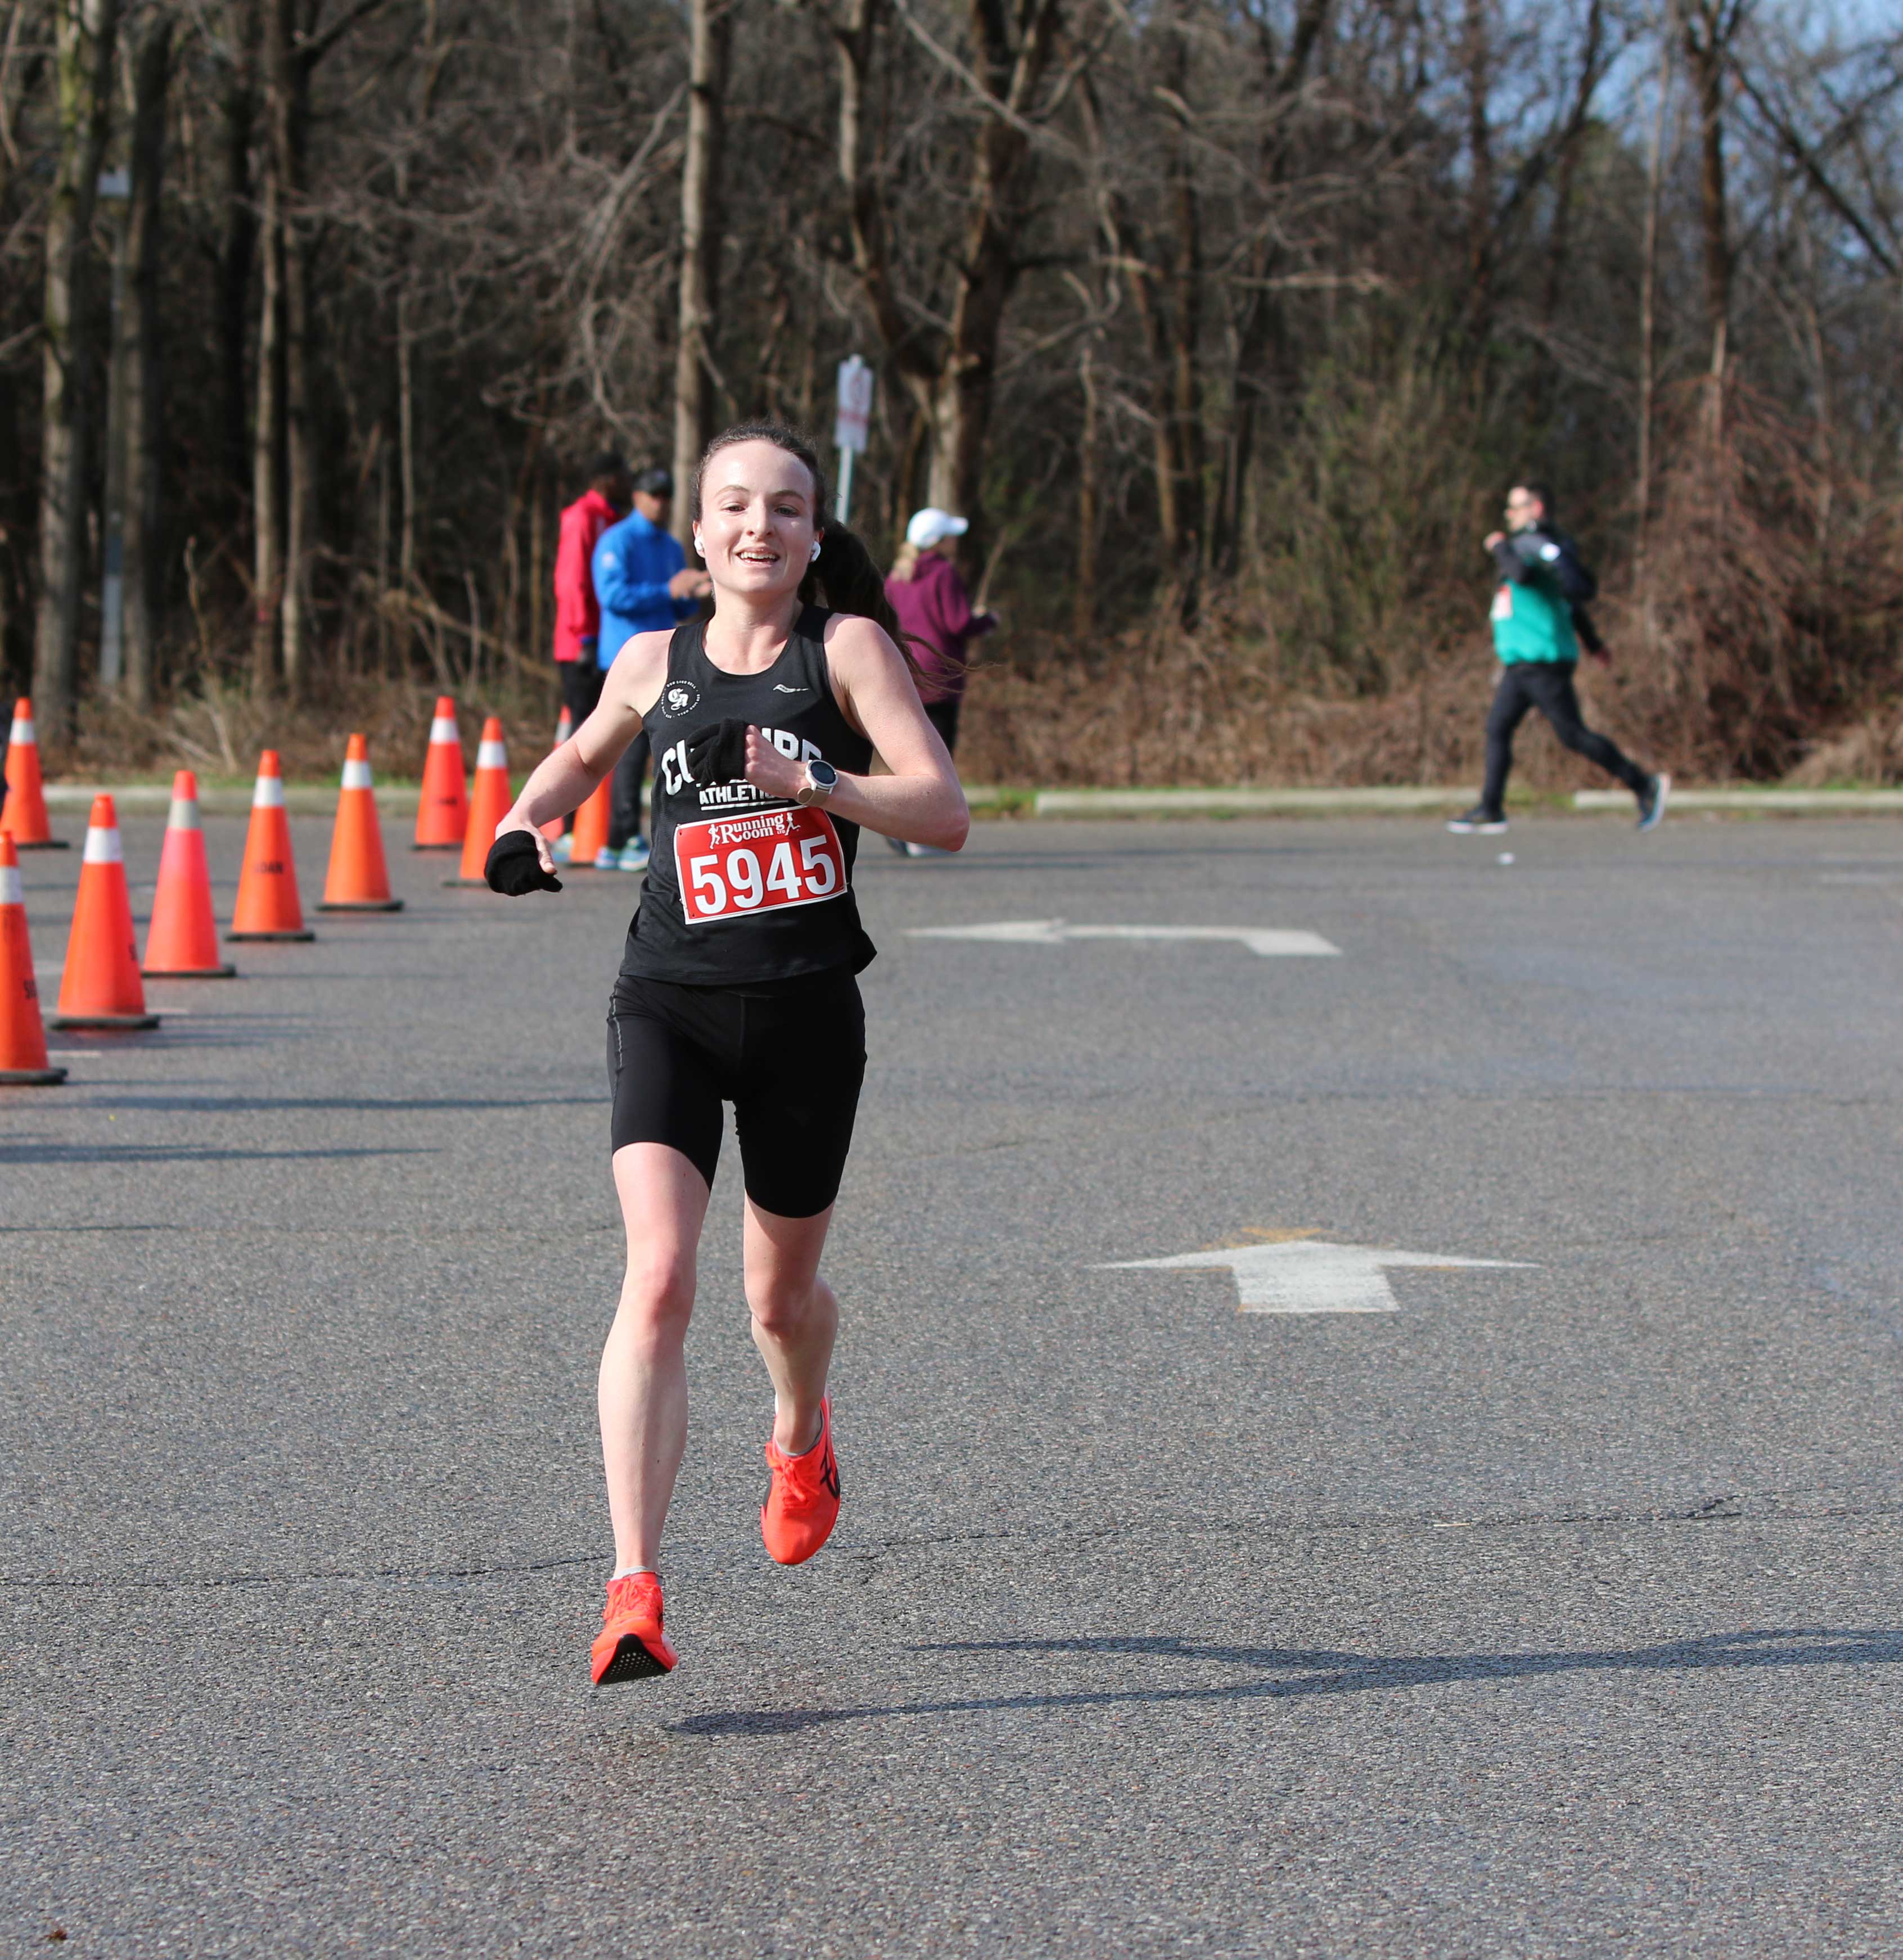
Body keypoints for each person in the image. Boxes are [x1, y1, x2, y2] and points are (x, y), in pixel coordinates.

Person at [490, 421, 968, 1686]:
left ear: (813, 536)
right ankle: (632, 1589)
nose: (760, 525)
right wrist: (525, 821)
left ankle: (800, 1434)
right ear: (698, 534)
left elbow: (945, 810)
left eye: (787, 507)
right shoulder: (652, 658)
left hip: (806, 1016)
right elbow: (579, 758)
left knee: (776, 1304)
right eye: (736, 505)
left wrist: (825, 785)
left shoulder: (846, 650)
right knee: (657, 1278)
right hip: (670, 1002)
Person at [1449, 481, 1668, 836]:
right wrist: (1594, 644)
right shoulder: (1528, 549)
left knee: (1573, 735)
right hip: (1522, 664)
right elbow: (1566, 603)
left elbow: (1524, 577)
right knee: (1498, 728)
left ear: (1535, 509)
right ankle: (1491, 809)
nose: (1508, 514)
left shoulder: (1531, 548)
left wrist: (1499, 546)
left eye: (1515, 507)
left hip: (1542, 662)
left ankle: (1644, 785)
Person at [590, 467, 713, 872]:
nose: (660, 502)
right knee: (627, 752)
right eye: (653, 494)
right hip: (625, 661)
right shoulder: (618, 540)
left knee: (665, 750)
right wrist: (667, 590)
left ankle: (652, 833)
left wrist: (693, 593)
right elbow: (612, 596)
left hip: (666, 659)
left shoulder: (670, 546)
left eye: (666, 495)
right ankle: (621, 838)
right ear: (638, 496)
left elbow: (677, 605)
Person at [883, 508, 995, 858]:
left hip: (905, 673)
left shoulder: (896, 576)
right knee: (937, 762)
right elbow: (957, 623)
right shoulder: (943, 573)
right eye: (949, 536)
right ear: (938, 542)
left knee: (910, 758)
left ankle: (902, 828)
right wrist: (987, 621)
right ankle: (918, 836)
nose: (954, 542)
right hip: (939, 676)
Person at [551, 453, 632, 860]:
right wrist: (584, 635)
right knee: (582, 731)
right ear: (605, 480)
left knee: (608, 731)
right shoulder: (582, 517)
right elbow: (572, 581)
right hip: (581, 646)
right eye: (622, 476)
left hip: (605, 644)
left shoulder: (614, 520)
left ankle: (598, 825)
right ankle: (568, 827)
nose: (628, 483)